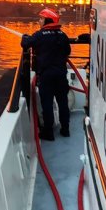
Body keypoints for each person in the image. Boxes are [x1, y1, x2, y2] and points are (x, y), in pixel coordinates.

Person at [21, 8, 71, 140]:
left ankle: (48, 133)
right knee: (63, 103)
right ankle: (65, 129)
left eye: (41, 19)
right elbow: (67, 51)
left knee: (47, 104)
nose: (39, 21)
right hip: (61, 75)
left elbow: (25, 44)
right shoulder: (63, 35)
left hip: (46, 75)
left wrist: (25, 37)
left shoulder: (40, 35)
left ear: (47, 20)